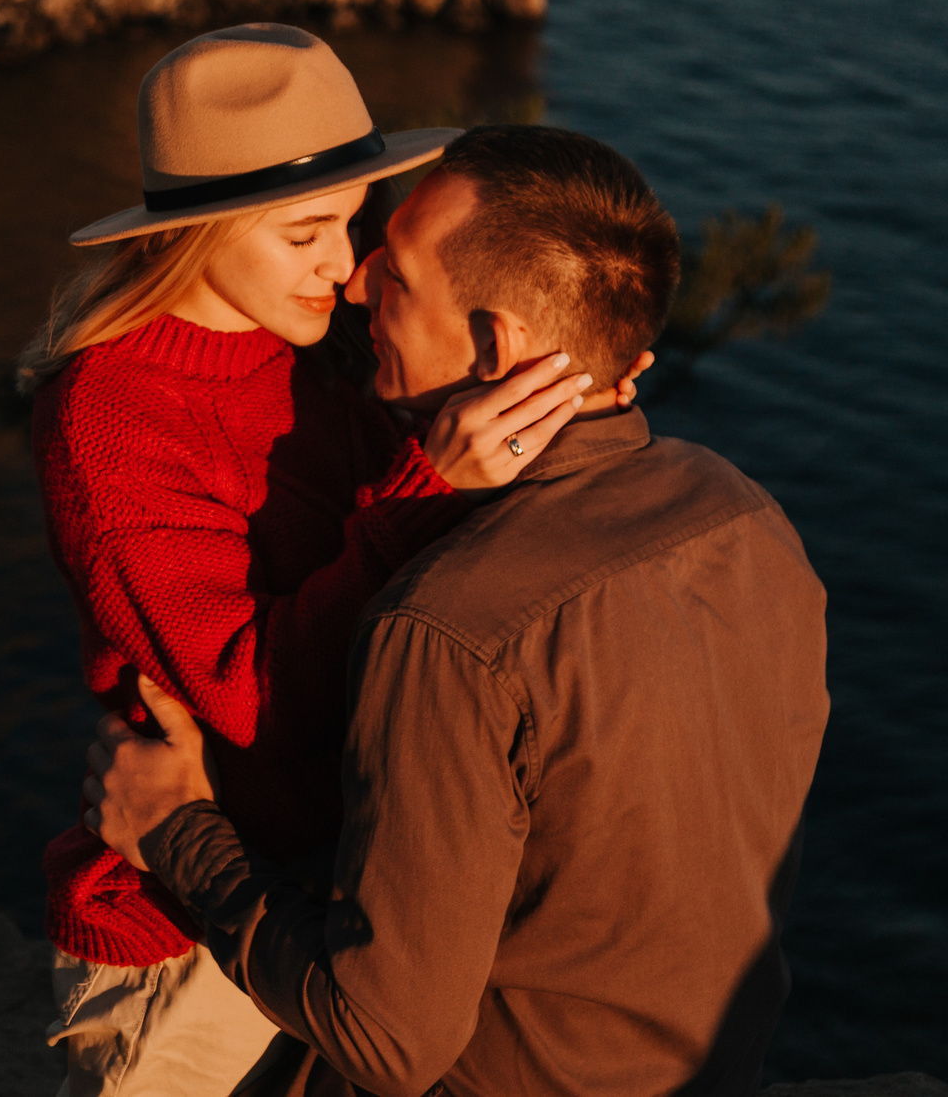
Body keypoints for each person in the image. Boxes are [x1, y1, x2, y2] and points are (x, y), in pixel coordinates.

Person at [83, 125, 832, 1097]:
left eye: (393, 274)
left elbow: (386, 1041)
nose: (354, 286)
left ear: (493, 345)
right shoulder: (742, 515)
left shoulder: (449, 631)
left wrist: (178, 828)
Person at [25, 28, 600, 1097]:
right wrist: (427, 484)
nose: (345, 272)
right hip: (193, 941)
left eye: (350, 222)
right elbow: (245, 695)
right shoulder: (108, 420)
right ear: (199, 235)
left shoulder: (316, 347)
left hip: (362, 904)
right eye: (306, 234)